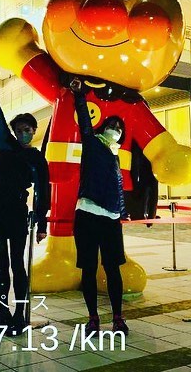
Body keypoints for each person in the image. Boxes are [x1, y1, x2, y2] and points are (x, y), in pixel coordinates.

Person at [0, 69, 50, 336]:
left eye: (27, 130)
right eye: (18, 130)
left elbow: (42, 191)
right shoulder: (6, 146)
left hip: (18, 212)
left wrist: (41, 223)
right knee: (1, 265)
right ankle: (2, 312)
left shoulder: (37, 158)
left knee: (18, 264)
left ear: (34, 131)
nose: (22, 134)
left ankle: (20, 314)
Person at [70, 77, 129, 336]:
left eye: (119, 128)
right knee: (89, 269)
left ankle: (118, 318)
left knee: (113, 269)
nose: (115, 129)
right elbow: (85, 123)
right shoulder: (93, 143)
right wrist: (79, 95)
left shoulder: (115, 155)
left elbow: (117, 188)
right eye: (112, 125)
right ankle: (93, 318)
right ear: (103, 127)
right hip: (87, 215)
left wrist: (122, 211)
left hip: (111, 219)